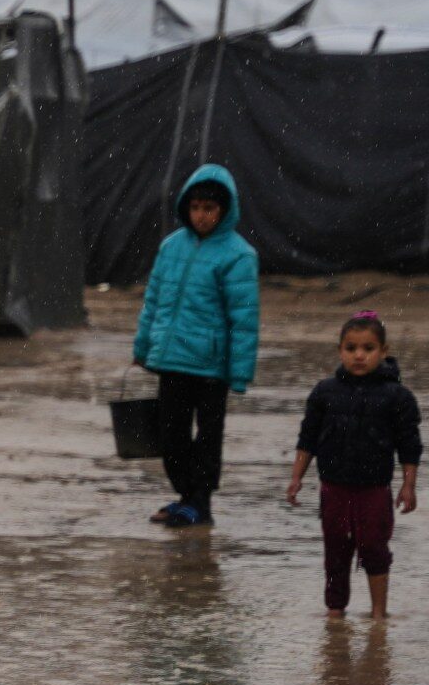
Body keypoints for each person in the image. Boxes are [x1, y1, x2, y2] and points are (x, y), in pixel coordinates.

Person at [132, 163, 260, 528]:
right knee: (170, 434)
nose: (202, 216)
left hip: (210, 365)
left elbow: (244, 318)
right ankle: (186, 496)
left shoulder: (238, 255)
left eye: (210, 208)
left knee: (207, 438)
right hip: (172, 360)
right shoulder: (172, 247)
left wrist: (239, 372)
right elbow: (153, 302)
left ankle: (199, 503)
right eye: (196, 207)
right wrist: (143, 347)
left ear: (224, 210)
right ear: (186, 208)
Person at [286, 311, 421, 620]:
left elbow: (409, 445)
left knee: (374, 547)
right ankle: (335, 612)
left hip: (374, 489)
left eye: (368, 348)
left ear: (383, 352)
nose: (359, 355)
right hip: (333, 487)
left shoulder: (397, 397)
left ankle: (378, 613)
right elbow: (308, 439)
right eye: (351, 348)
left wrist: (408, 485)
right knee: (335, 550)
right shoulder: (325, 392)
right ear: (340, 350)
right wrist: (296, 478)